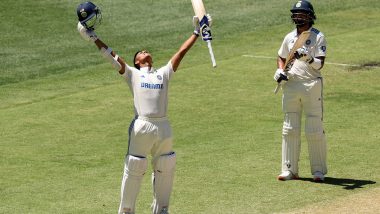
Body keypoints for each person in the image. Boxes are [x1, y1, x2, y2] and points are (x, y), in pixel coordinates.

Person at [76, 2, 212, 213]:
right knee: (135, 166)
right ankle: (126, 211)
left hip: (164, 125)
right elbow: (112, 57)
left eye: (147, 51)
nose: (145, 52)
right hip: (142, 124)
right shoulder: (132, 73)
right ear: (137, 62)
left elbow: (181, 52)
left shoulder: (163, 73)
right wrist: (94, 38)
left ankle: (162, 210)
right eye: (140, 53)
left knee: (166, 166)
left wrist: (197, 31)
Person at [273, 0, 327, 182]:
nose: (298, 16)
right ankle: (289, 170)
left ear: (310, 16)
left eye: (302, 14)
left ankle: (318, 172)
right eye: (296, 14)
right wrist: (280, 70)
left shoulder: (318, 36)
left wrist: (308, 58)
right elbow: (281, 57)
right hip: (291, 85)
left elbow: (320, 65)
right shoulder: (289, 37)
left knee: (314, 128)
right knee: (289, 128)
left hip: (311, 85)